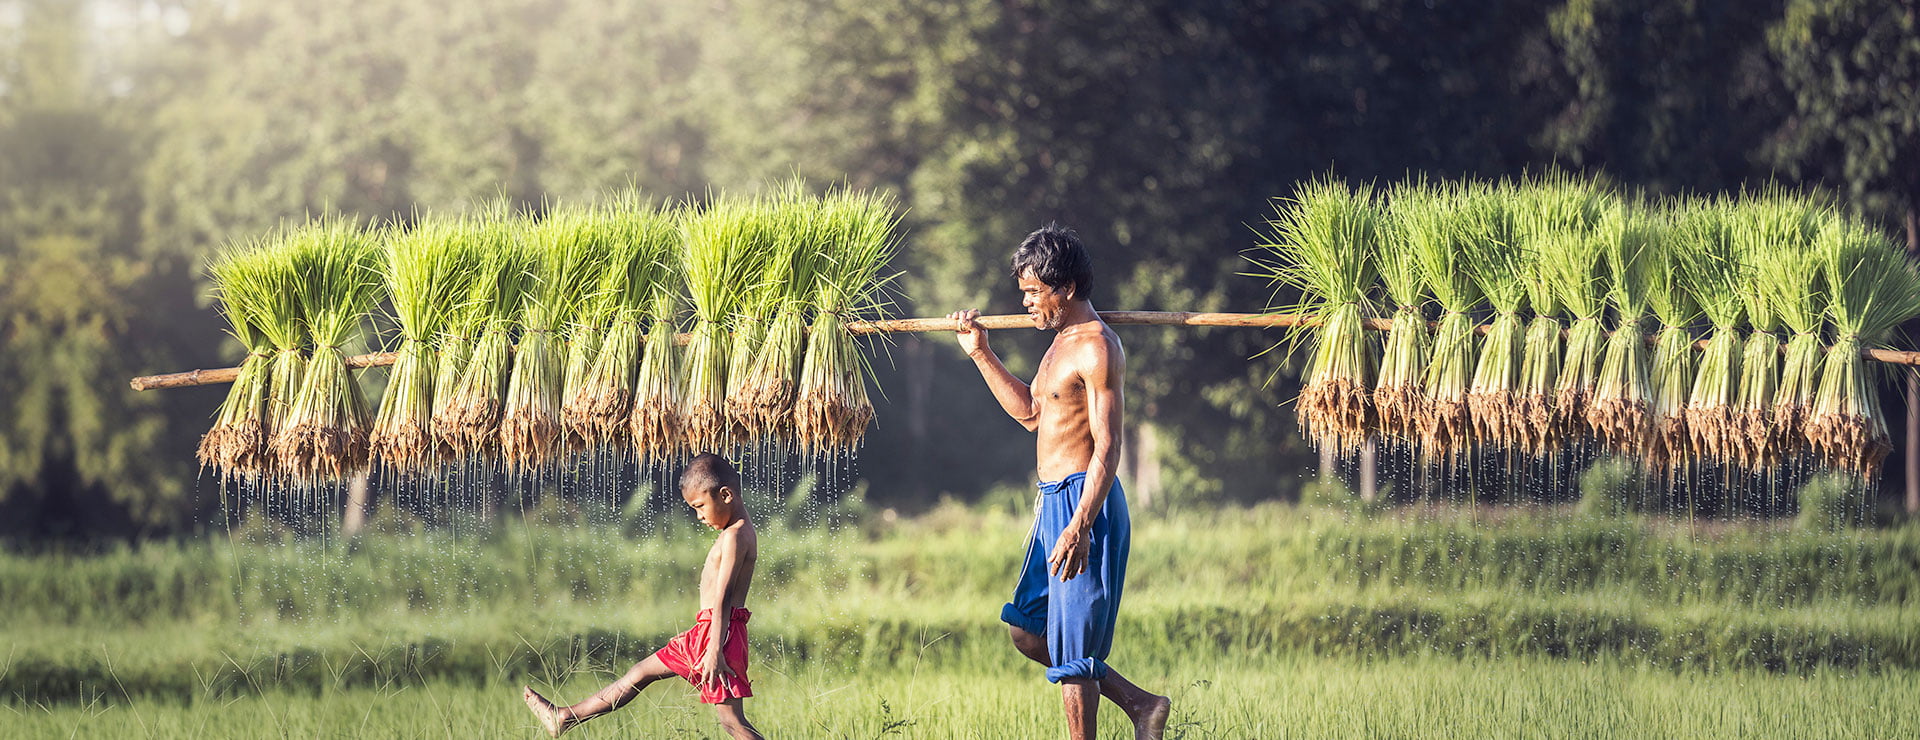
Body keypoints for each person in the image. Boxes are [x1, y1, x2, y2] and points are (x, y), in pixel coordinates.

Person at [948, 223, 1171, 740]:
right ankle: (1141, 705)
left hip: (1083, 503)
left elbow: (1109, 447)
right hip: (1051, 503)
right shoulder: (1058, 344)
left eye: (1034, 291)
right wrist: (980, 352)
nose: (1026, 302)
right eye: (1023, 291)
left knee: (1074, 650)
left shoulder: (1096, 346)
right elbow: (1030, 413)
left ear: (1065, 288)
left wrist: (1080, 524)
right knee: (1027, 629)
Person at [521, 453, 763, 739]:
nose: (699, 516)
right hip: (709, 632)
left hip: (717, 637)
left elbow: (722, 597)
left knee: (733, 723)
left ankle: (566, 717)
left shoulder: (735, 536)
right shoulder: (737, 532)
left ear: (725, 495)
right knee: (639, 674)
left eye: (699, 506)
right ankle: (565, 717)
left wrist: (713, 652)